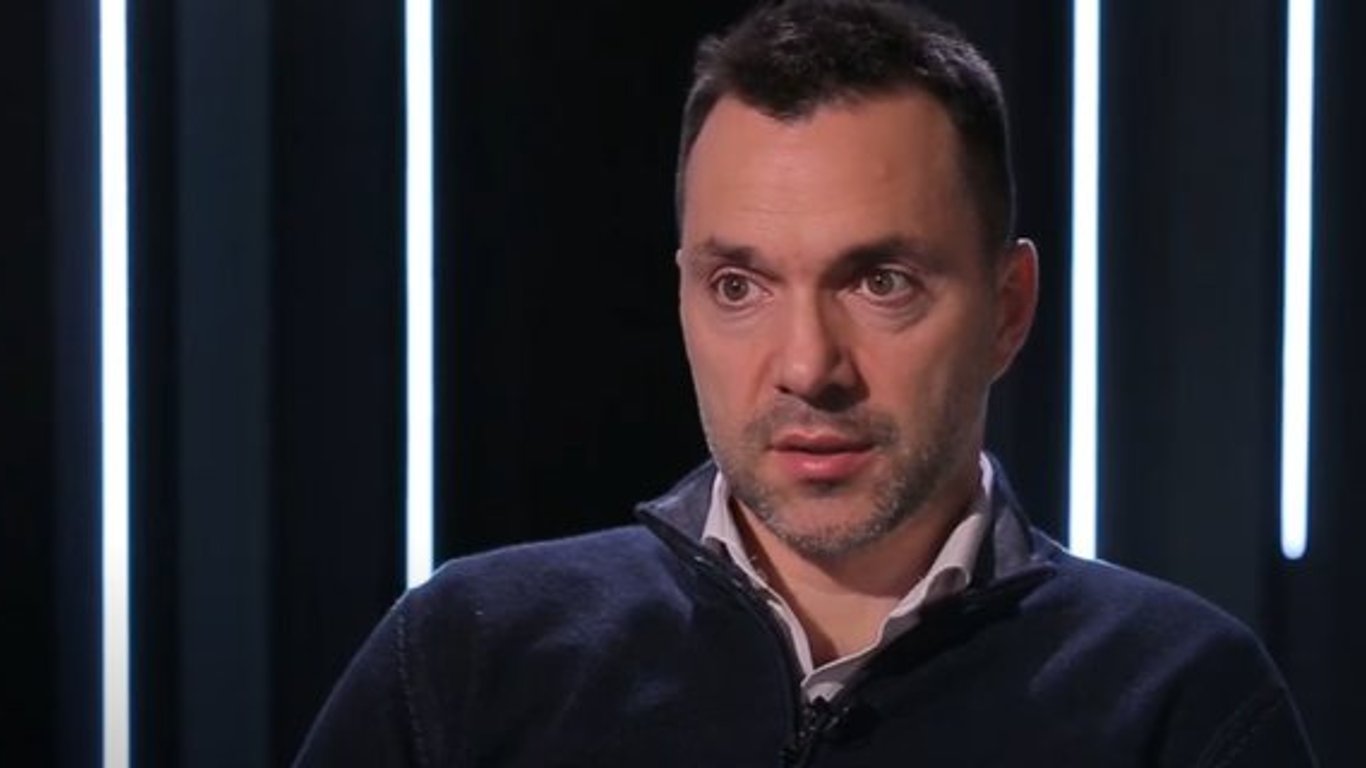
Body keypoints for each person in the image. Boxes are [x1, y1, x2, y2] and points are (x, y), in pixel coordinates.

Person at [295, 1, 1316, 765]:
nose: (805, 367)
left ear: (1009, 309)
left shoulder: (1178, 701)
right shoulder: (469, 659)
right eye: (739, 286)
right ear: (684, 299)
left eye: (880, 282)